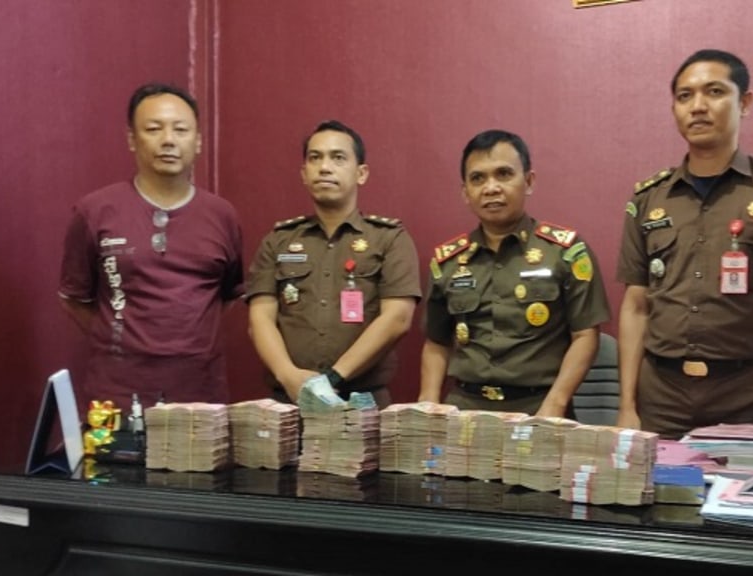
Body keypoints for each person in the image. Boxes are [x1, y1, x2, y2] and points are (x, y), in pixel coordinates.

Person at [616, 49, 753, 439]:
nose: (698, 106)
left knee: (745, 484)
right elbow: (635, 306)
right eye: (685, 96)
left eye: (714, 92)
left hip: (747, 396)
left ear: (744, 102)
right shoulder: (649, 198)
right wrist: (627, 406)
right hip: (661, 397)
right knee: (661, 482)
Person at [59, 82, 245, 412]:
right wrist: (122, 336)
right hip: (117, 393)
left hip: (199, 393)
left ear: (198, 141)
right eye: (154, 129)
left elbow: (228, 295)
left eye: (181, 130)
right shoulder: (95, 211)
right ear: (132, 139)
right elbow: (74, 298)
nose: (168, 140)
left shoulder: (223, 215)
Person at [418, 129, 610, 417]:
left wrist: (555, 405)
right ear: (465, 192)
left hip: (540, 408)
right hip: (465, 409)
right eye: (477, 178)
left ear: (528, 181)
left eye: (504, 174)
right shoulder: (448, 261)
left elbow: (585, 335)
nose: (491, 188)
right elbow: (436, 342)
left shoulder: (565, 252)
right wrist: (428, 404)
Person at [246, 120, 420, 407]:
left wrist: (331, 379)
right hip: (289, 399)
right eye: (315, 158)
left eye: (338, 158)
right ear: (304, 174)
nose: (325, 167)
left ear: (361, 173)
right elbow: (260, 319)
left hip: (362, 400)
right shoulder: (279, 241)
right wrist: (288, 376)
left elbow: (397, 319)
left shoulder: (389, 239)